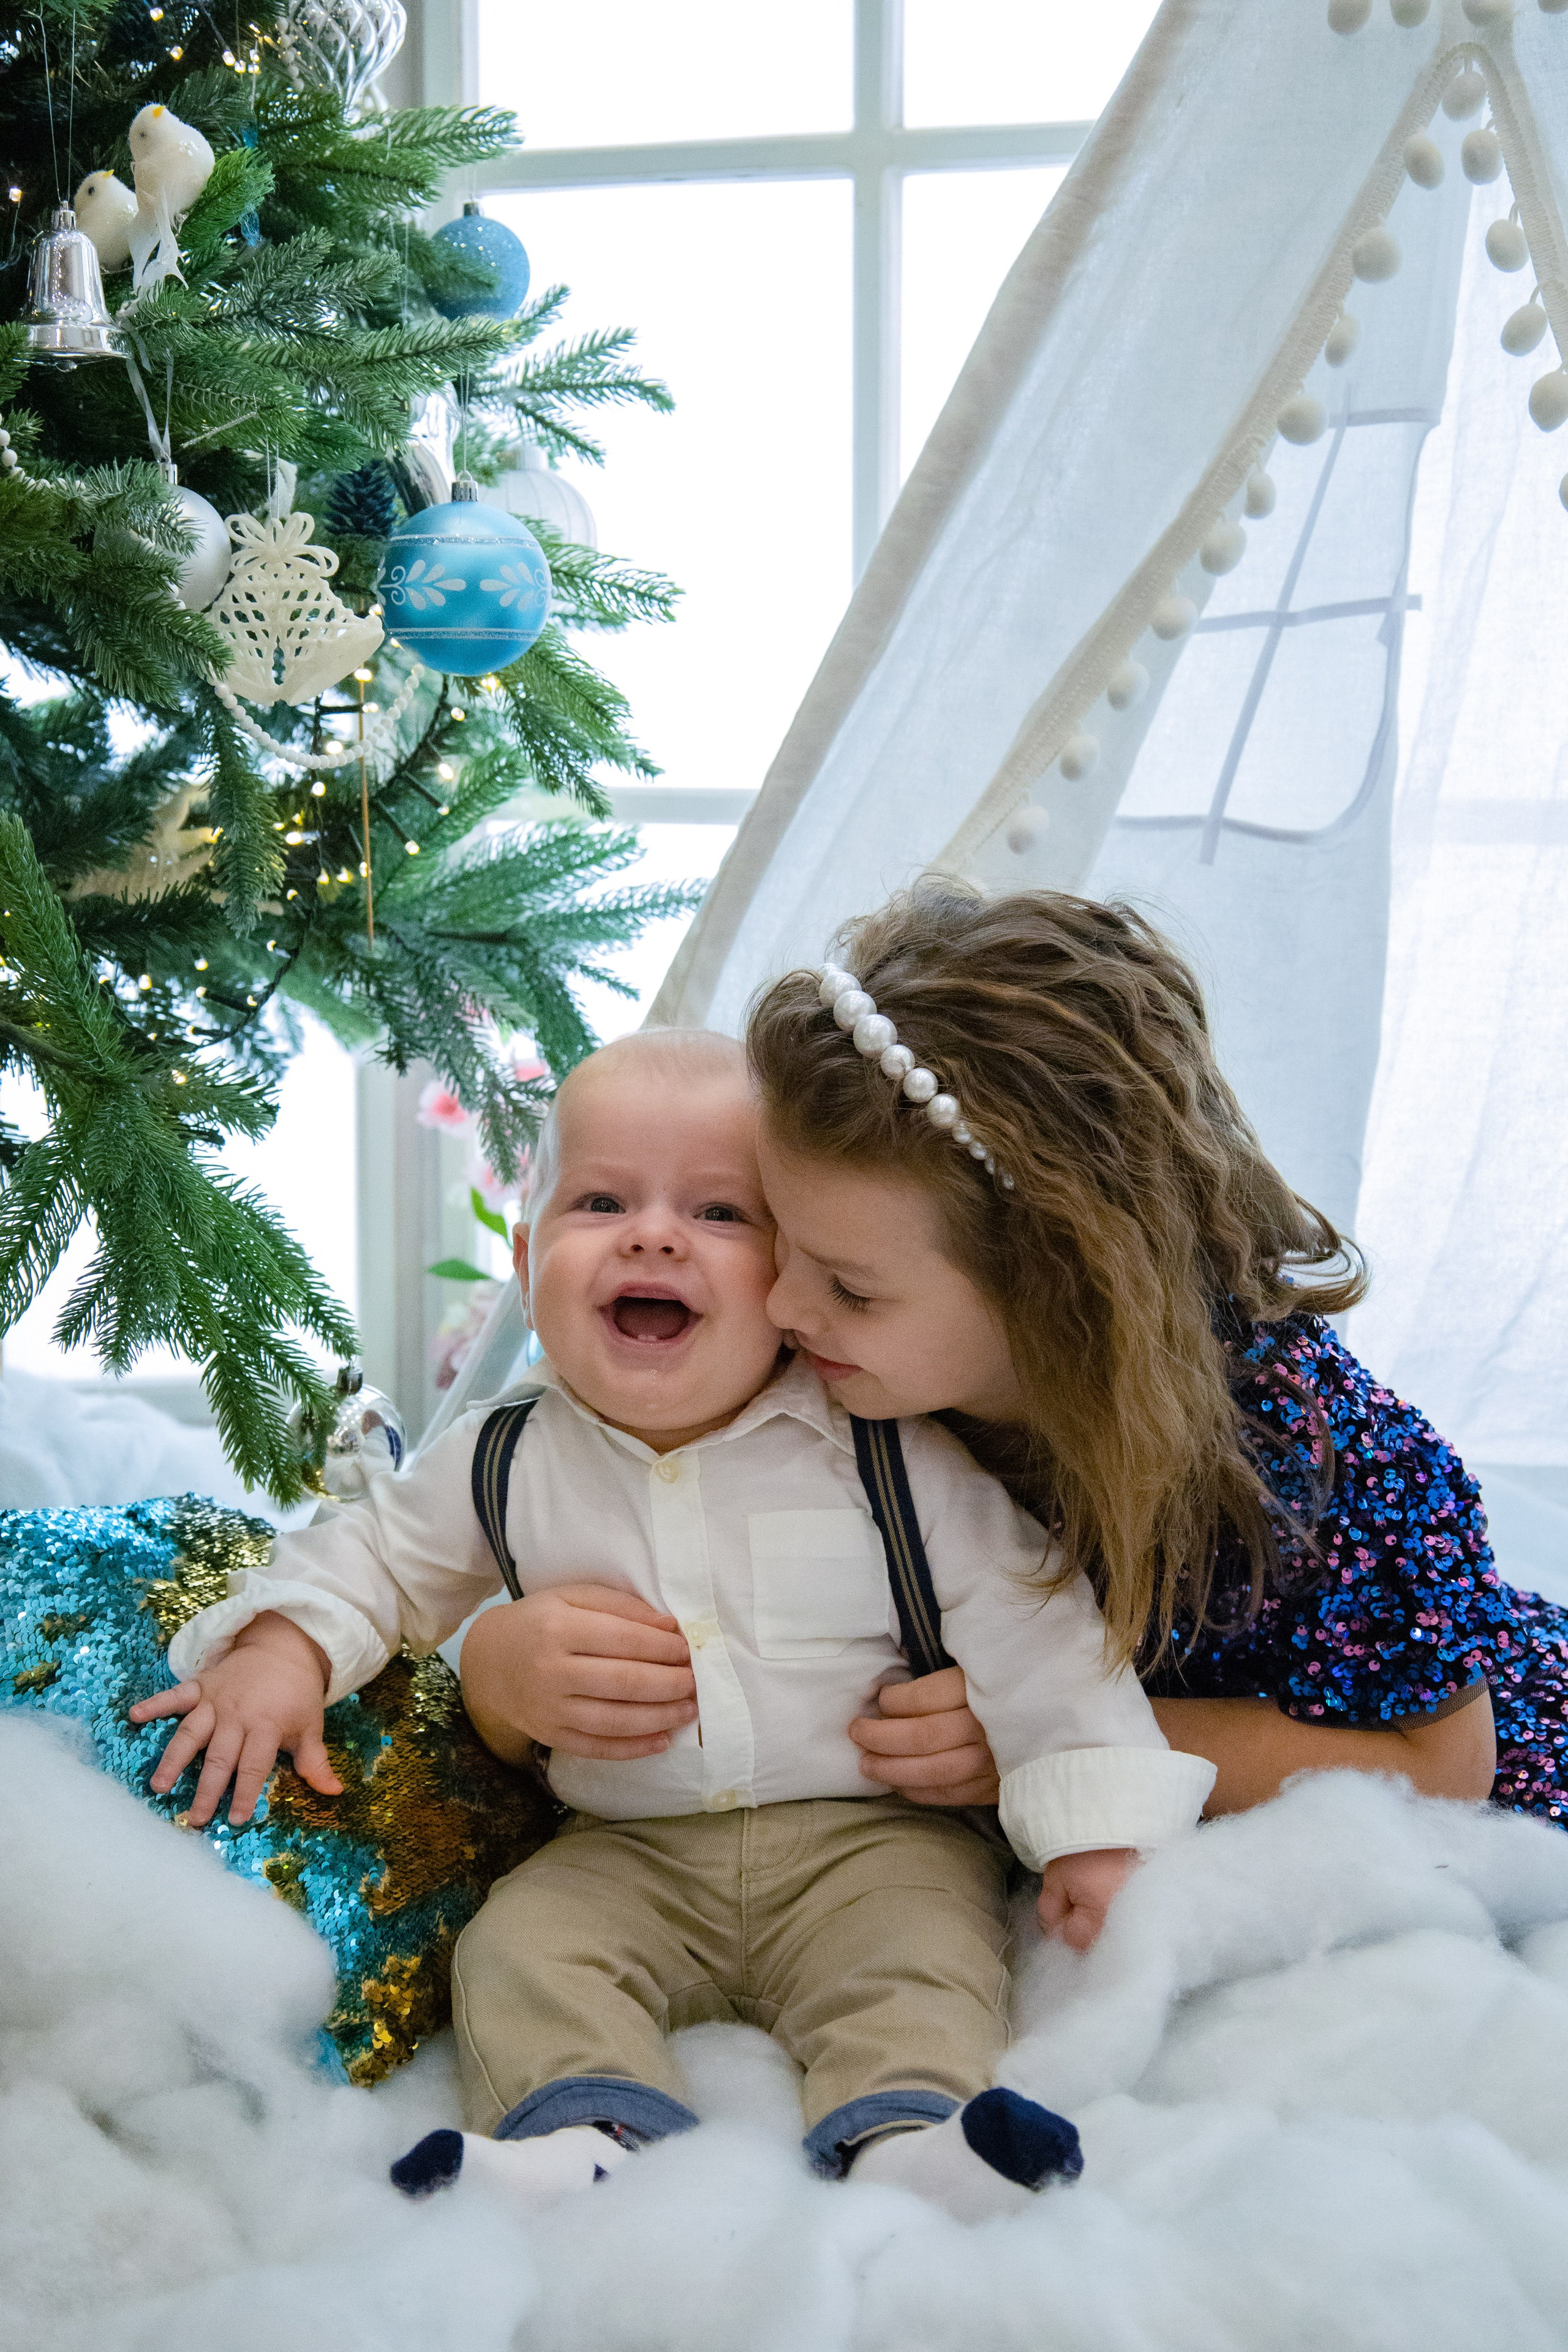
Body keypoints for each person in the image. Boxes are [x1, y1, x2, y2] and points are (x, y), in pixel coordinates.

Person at [129, 1027, 1212, 2223]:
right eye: (601, 1201)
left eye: (716, 1214)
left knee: (918, 1960)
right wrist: (284, 1647)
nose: (650, 1234)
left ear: (795, 1278)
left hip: (866, 1844)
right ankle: (584, 2135)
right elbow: (374, 1558)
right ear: (531, 1252)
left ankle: (906, 2134)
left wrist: (1094, 1830)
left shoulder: (882, 1454)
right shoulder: (500, 1455)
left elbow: (1035, 1627)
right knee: (519, 1947)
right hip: (626, 1851)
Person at [475, 886, 1558, 1834]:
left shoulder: (1323, 1461)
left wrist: (1054, 1741)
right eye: (777, 1239)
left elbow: (1447, 1769)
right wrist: (497, 1675)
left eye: (850, 1286)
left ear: (1055, 1297)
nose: (783, 1301)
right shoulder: (820, 1372)